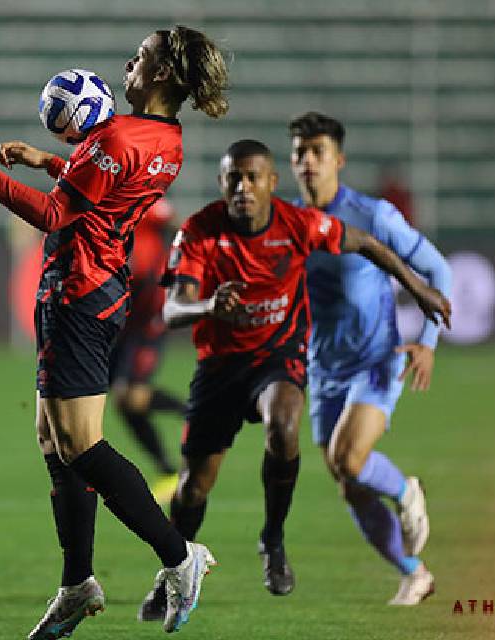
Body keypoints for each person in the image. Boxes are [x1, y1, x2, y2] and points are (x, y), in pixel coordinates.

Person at [0, 26, 229, 639]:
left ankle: (180, 557)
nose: (130, 62)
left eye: (142, 57)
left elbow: (53, 213)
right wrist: (48, 160)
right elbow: (100, 189)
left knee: (81, 445)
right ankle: (77, 583)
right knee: (52, 438)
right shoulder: (164, 140)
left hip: (80, 294)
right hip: (87, 291)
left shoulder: (120, 135)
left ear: (161, 75)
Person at [137, 139, 450, 621]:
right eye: (233, 178)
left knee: (284, 423)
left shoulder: (297, 223)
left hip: (276, 357)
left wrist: (417, 286)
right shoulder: (200, 231)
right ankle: (173, 571)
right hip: (220, 366)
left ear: (271, 183)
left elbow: (365, 241)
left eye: (252, 177)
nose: (242, 186)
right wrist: (208, 305)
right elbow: (172, 307)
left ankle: (273, 539)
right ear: (221, 183)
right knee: (193, 488)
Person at [289, 111, 453, 605]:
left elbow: (436, 270)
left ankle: (405, 490)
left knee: (350, 458)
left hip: (376, 360)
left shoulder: (371, 215)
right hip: (325, 369)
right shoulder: (290, 222)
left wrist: (427, 340)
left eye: (318, 151)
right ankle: (414, 573)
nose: (308, 161)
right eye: (299, 152)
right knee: (349, 482)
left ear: (338, 159)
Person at [108, 198, 185, 503]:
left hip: (148, 316)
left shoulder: (146, 203)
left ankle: (195, 413)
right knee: (123, 403)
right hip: (124, 319)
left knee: (132, 396)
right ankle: (168, 471)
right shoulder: (102, 203)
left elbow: (179, 228)